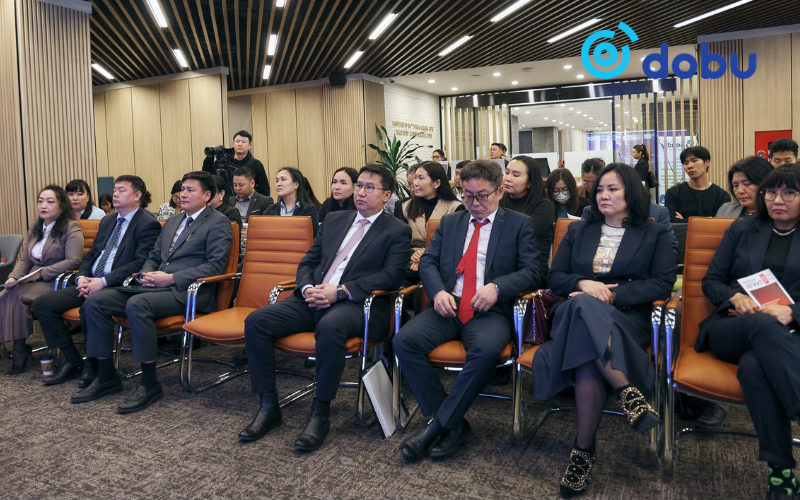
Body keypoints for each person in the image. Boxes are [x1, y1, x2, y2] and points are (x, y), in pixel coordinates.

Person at [238, 164, 411, 451]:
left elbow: (390, 277)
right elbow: (309, 261)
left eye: (369, 187)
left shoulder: (397, 230)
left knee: (330, 326)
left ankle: (320, 412)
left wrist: (340, 292)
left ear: (386, 195)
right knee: (257, 321)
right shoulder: (334, 219)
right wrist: (307, 288)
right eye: (359, 186)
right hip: (313, 297)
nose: (361, 192)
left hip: (356, 304)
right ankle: (268, 406)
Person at [532, 163, 676, 496]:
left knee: (588, 356)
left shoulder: (653, 232)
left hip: (626, 317)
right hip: (573, 312)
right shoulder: (579, 230)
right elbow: (555, 277)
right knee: (583, 305)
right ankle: (626, 391)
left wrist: (611, 294)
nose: (603, 195)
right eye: (599, 190)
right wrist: (584, 284)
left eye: (612, 189)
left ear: (632, 192)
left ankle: (583, 452)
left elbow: (662, 283)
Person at [394, 159, 540, 461]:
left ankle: (436, 426)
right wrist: (437, 292)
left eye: (482, 196)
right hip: (449, 304)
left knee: (484, 352)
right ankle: (454, 424)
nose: (474, 203)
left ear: (499, 192)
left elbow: (532, 271)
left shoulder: (518, 224)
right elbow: (428, 261)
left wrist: (497, 287)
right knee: (404, 341)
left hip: (490, 311)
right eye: (468, 195)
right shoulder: (451, 222)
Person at [70, 171, 233, 414]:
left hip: (186, 292)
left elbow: (215, 265)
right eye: (182, 189)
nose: (183, 194)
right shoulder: (174, 221)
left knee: (138, 304)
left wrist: (171, 278)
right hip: (155, 286)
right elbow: (154, 256)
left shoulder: (218, 222)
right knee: (96, 301)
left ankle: (149, 383)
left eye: (190, 190)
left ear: (207, 195)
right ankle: (106, 376)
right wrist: (146, 274)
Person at [698, 165, 800, 500]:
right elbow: (711, 281)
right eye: (772, 192)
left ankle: (780, 473)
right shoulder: (742, 229)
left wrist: (793, 312)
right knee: (762, 323)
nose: (777, 200)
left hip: (787, 335)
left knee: (754, 368)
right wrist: (735, 296)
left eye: (789, 192)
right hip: (733, 328)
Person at [32, 176, 161, 386]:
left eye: (121, 190)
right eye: (114, 190)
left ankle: (93, 366)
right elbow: (92, 254)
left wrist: (103, 282)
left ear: (137, 195)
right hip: (90, 281)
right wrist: (82, 277)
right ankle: (73, 360)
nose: (115, 194)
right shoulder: (108, 221)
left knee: (90, 306)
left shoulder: (148, 224)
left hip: (116, 286)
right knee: (43, 305)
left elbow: (139, 263)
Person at [1, 186, 83, 375]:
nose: (43, 205)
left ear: (61, 206)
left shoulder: (71, 227)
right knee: (6, 293)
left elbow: (74, 260)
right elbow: (25, 260)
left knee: (16, 298)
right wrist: (14, 277)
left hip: (55, 281)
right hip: (30, 280)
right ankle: (18, 347)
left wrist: (41, 273)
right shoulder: (35, 227)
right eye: (40, 201)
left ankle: (19, 350)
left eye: (50, 202)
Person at [394, 161, 463, 273]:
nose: (415, 183)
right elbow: (399, 241)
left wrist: (426, 254)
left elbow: (455, 245)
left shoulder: (455, 208)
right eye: (415, 178)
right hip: (409, 261)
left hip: (440, 263)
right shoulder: (404, 206)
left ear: (436, 183)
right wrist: (414, 255)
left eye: (421, 178)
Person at [500, 156, 555, 270]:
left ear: (530, 182)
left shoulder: (544, 206)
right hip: (503, 264)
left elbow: (518, 236)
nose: (507, 179)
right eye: (507, 172)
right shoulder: (499, 201)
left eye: (516, 175)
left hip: (530, 267)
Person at [666, 146, 731, 223]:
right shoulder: (673, 193)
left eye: (694, 161)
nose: (689, 166)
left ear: (707, 163)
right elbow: (670, 223)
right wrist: (709, 221)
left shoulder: (721, 196)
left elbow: (722, 225)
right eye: (686, 163)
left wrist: (685, 221)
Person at [202, 130, 270, 197]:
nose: (240, 144)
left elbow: (264, 189)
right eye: (237, 141)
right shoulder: (224, 161)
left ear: (250, 145)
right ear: (233, 143)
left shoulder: (256, 164)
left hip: (248, 201)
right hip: (224, 199)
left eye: (243, 142)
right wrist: (209, 158)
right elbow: (208, 176)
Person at [265, 167, 320, 236]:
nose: (278, 184)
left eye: (283, 179)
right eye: (277, 181)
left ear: (296, 184)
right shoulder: (270, 211)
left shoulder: (309, 210)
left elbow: (311, 236)